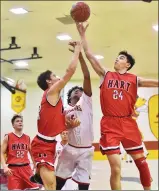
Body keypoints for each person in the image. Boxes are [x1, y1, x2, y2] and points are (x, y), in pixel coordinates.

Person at [76, 22, 158, 190]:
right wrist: (82, 34)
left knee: (142, 163)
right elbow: (90, 55)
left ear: (127, 64)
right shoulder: (105, 74)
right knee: (116, 168)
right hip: (110, 124)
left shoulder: (135, 79)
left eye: (121, 58)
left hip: (128, 123)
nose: (117, 59)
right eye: (117, 57)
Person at [30, 41, 82, 190]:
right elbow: (70, 71)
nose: (58, 77)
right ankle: (39, 174)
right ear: (49, 82)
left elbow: (55, 123)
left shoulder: (55, 100)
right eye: (54, 76)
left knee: (51, 185)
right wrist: (77, 50)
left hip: (50, 143)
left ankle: (39, 174)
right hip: (41, 144)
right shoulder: (51, 93)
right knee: (51, 185)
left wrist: (70, 124)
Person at [56, 42, 94, 190]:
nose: (79, 91)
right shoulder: (64, 109)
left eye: (81, 90)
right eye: (75, 90)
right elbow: (60, 127)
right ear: (70, 95)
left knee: (84, 185)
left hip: (86, 149)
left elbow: (86, 75)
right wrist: (68, 125)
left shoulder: (87, 102)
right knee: (59, 182)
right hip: (69, 148)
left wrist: (79, 56)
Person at [1, 114, 39, 190]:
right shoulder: (8, 136)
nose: (20, 122)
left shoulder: (27, 138)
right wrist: (4, 166)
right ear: (13, 125)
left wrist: (36, 166)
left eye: (21, 121)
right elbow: (1, 152)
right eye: (17, 121)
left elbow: (32, 154)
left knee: (35, 188)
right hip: (13, 169)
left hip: (26, 168)